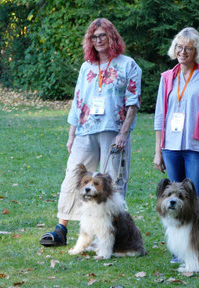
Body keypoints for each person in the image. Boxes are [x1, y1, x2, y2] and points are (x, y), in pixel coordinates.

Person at [40, 18, 142, 247]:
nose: (98, 40)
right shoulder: (87, 66)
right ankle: (61, 229)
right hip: (85, 130)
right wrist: (71, 134)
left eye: (102, 35)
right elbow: (77, 102)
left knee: (112, 181)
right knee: (73, 176)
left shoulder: (128, 65)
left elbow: (133, 103)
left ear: (112, 37)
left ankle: (110, 234)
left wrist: (124, 133)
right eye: (94, 37)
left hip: (113, 130)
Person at [153, 27, 199, 261]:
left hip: (197, 146)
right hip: (171, 146)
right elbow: (160, 116)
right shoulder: (167, 77)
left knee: (194, 199)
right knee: (173, 199)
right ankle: (178, 250)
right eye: (179, 47)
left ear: (196, 51)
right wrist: (157, 151)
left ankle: (197, 248)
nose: (183, 52)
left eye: (188, 49)